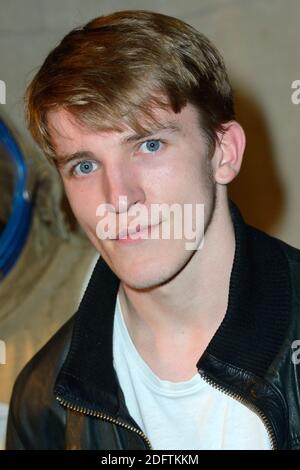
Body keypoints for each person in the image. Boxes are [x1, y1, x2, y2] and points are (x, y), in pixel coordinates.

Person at [5, 9, 300, 450]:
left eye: (148, 145)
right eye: (84, 165)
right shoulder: (44, 404)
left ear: (224, 153)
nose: (118, 197)